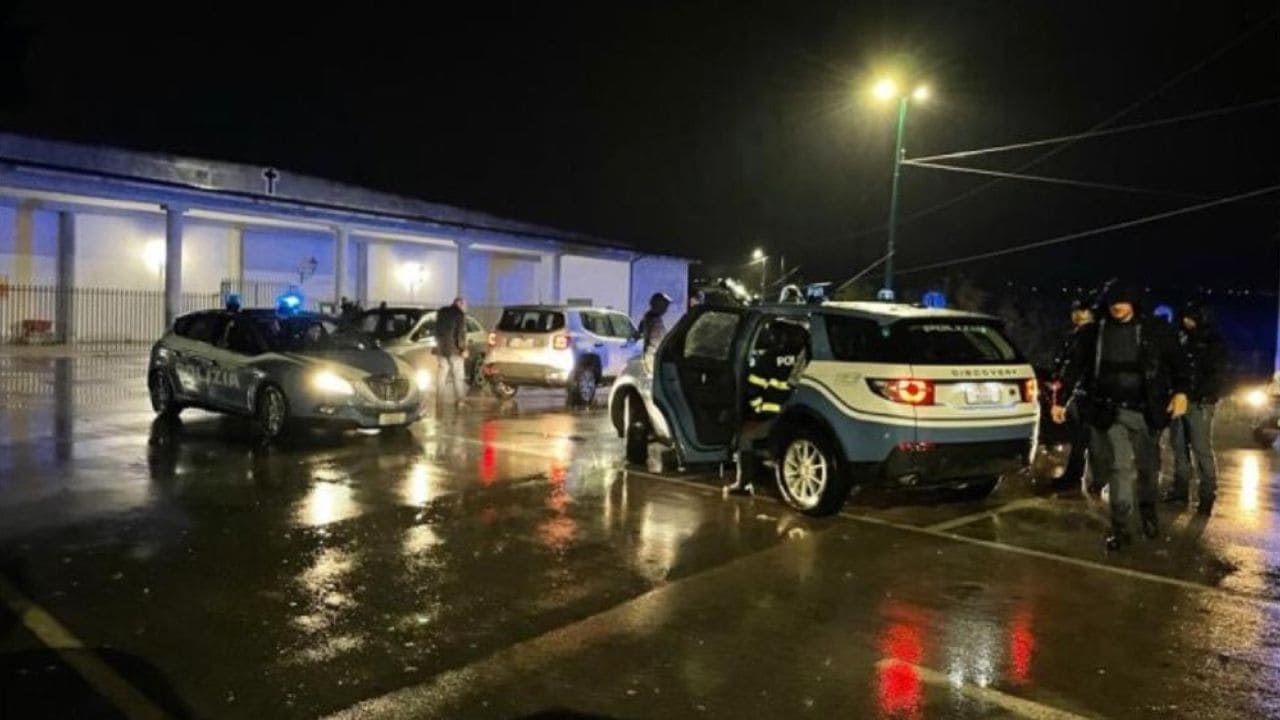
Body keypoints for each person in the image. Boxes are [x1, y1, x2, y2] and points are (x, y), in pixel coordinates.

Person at [1052, 284, 1190, 550]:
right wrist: (1061, 400)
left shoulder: (1155, 331)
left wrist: (1181, 392)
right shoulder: (1094, 333)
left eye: (1124, 301)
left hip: (1146, 411)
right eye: (1113, 302)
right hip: (1109, 410)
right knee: (1120, 467)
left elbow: (1179, 365)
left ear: (1134, 303)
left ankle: (1147, 510)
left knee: (1148, 469)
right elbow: (1075, 367)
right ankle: (1121, 527)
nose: (1118, 307)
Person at [1164, 300, 1227, 515]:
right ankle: (1180, 491)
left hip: (1200, 402)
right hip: (1181, 399)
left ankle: (1207, 496)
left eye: (1190, 318)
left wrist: (1207, 395)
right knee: (1179, 446)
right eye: (1184, 318)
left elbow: (1217, 373)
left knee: (1201, 449)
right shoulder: (1181, 338)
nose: (1186, 321)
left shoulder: (1211, 341)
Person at [1050, 296, 1097, 494]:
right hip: (1082, 393)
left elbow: (1075, 367)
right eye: (1075, 311)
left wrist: (1061, 399)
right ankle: (1080, 477)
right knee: (1083, 438)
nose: (1077, 315)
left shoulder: (1088, 336)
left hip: (1089, 393)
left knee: (1084, 438)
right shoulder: (1080, 334)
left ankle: (1076, 477)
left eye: (1082, 311)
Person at [434, 296, 470, 407]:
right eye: (465, 305)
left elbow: (436, 331)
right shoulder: (459, 314)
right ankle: (460, 401)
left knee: (442, 374)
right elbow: (460, 334)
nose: (466, 308)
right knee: (458, 375)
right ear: (459, 304)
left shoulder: (441, 312)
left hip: (441, 349)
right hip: (455, 350)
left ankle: (439, 400)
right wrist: (463, 349)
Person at [637, 292, 672, 372]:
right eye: (665, 306)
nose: (666, 309)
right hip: (652, 354)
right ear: (658, 305)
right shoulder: (653, 319)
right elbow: (656, 339)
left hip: (654, 353)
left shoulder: (651, 318)